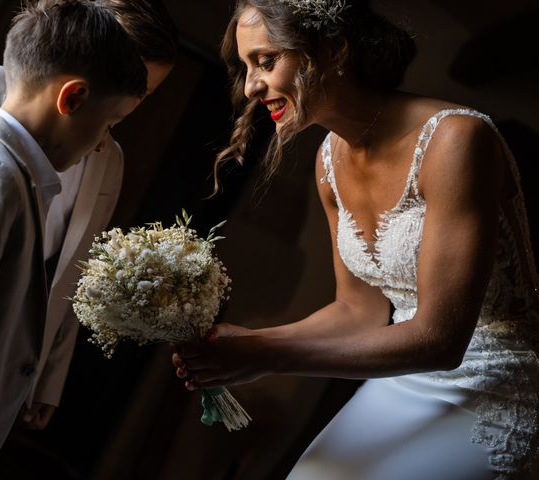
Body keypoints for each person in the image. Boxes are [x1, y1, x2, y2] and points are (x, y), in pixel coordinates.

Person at [172, 1, 539, 479]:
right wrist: (250, 342)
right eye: (245, 68)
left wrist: (266, 356)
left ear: (335, 50)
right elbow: (358, 312)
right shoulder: (329, 163)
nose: (250, 86)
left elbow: (441, 341)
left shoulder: (457, 139)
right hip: (402, 377)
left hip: (495, 383)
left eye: (266, 61)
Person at [0, 0, 177, 433]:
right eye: (130, 77)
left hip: (1, 346)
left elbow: (72, 271)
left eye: (147, 93)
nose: (130, 107)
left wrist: (47, 375)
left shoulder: (109, 158)